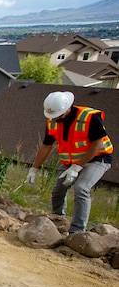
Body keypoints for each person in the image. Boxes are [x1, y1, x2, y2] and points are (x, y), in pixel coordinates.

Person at [25, 91, 113, 234]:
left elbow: (97, 144)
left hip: (97, 158)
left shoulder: (89, 117)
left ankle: (77, 232)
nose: (55, 118)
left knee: (81, 188)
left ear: (67, 108)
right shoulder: (52, 121)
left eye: (58, 115)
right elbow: (46, 146)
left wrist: (77, 167)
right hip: (71, 161)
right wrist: (34, 168)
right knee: (58, 190)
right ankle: (58, 220)